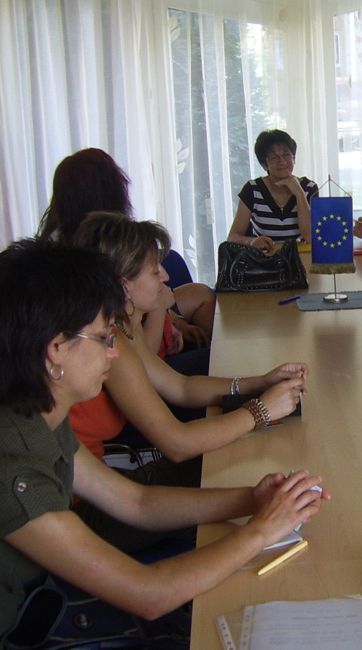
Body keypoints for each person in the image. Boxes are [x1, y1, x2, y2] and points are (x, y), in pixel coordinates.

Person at [0, 239, 326, 650]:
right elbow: (150, 594)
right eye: (104, 338)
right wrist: (261, 531)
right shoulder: (2, 465)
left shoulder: (31, 411)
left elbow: (137, 502)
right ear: (55, 350)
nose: (113, 352)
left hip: (27, 609)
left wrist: (251, 500)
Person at [70, 211, 308, 551]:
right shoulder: (111, 342)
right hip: (92, 505)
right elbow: (176, 444)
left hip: (102, 487)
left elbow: (180, 387)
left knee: (237, 464)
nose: (166, 275)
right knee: (233, 470)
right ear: (124, 286)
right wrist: (260, 411)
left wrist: (259, 382)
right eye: (155, 271)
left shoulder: (122, 326)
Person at [39, 147, 215, 352]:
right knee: (177, 271)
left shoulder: (63, 236)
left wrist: (176, 321)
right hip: (139, 340)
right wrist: (161, 310)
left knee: (185, 276)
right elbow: (134, 335)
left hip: (142, 319)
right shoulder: (95, 248)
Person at [228, 129, 318, 251]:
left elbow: (310, 237)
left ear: (294, 158)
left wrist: (299, 193)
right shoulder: (252, 189)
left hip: (300, 258)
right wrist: (252, 241)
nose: (282, 162)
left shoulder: (309, 188)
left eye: (286, 154)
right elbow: (232, 237)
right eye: (274, 158)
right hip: (263, 259)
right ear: (264, 165)